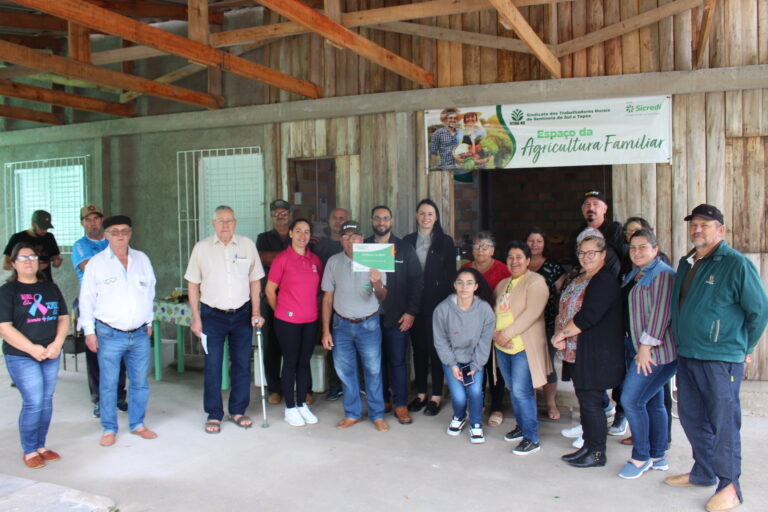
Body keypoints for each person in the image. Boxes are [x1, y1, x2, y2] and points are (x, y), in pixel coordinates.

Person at [666, 204, 768, 511]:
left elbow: (758, 311)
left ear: (720, 230)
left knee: (724, 422)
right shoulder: (688, 262)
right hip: (687, 353)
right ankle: (703, 471)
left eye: (705, 225)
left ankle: (729, 486)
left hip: (721, 358)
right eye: (694, 224)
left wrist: (744, 348)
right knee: (691, 416)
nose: (698, 230)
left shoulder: (735, 264)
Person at [185, 206, 265, 434]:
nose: (225, 225)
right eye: (221, 221)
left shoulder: (247, 245)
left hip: (241, 314)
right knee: (212, 365)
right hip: (212, 315)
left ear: (235, 222)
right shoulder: (201, 249)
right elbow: (193, 284)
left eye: (229, 221)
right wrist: (196, 318)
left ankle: (238, 410)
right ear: (213, 224)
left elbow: (255, 280)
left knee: (241, 364)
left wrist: (256, 312)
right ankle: (214, 413)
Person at [79, 215, 157, 447]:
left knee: (140, 382)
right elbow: (87, 299)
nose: (120, 235)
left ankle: (137, 424)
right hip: (109, 334)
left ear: (130, 233)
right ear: (106, 235)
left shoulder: (142, 259)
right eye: (114, 231)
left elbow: (150, 291)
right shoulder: (97, 263)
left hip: (140, 333)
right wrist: (89, 332)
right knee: (109, 382)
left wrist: (150, 322)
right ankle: (109, 427)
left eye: (124, 230)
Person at [552, 231, 624, 468]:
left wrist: (562, 333)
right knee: (585, 399)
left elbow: (588, 316)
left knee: (592, 401)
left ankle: (597, 453)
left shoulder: (603, 280)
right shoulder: (582, 277)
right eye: (582, 253)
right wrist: (561, 333)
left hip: (596, 351)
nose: (586, 257)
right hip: (578, 350)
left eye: (592, 252)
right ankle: (588, 446)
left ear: (603, 254)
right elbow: (566, 309)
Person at [0, 243, 69, 469]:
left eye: (32, 256)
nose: (28, 261)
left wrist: (58, 344)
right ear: (13, 263)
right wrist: (32, 348)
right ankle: (29, 450)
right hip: (22, 355)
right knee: (34, 402)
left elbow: (63, 317)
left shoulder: (50, 287)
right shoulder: (7, 291)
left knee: (46, 401)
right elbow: (4, 327)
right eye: (22, 258)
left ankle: (40, 446)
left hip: (50, 352)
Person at [617, 228, 678, 479]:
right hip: (638, 346)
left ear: (655, 249)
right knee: (652, 401)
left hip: (656, 351)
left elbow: (661, 314)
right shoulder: (636, 273)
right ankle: (658, 455)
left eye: (643, 247)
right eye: (633, 247)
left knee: (631, 400)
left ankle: (640, 457)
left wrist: (645, 348)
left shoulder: (663, 274)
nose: (637, 252)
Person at [321, 221, 389, 432]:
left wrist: (377, 282)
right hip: (341, 325)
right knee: (346, 371)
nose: (352, 240)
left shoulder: (374, 258)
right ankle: (352, 413)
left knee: (373, 370)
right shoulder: (333, 262)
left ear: (362, 239)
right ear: (341, 240)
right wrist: (325, 331)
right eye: (347, 236)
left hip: (368, 324)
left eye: (356, 236)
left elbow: (382, 296)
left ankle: (377, 415)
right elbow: (327, 299)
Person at [366, 205, 423, 425]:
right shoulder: (364, 247)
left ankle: (400, 404)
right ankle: (382, 400)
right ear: (372, 220)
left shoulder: (404, 248)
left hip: (397, 316)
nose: (381, 222)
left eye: (385, 218)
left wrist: (411, 312)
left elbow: (417, 282)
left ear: (391, 221)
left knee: (398, 361)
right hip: (369, 317)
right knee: (374, 362)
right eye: (377, 218)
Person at [493, 241, 551, 455]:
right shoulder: (503, 284)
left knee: (522, 391)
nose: (514, 261)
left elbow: (532, 313)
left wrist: (505, 335)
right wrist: (496, 335)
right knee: (513, 390)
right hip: (503, 347)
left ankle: (531, 438)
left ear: (528, 260)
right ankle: (523, 426)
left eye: (519, 257)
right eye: (510, 257)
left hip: (522, 347)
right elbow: (495, 313)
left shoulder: (536, 282)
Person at [71, 204, 127, 419]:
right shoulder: (80, 245)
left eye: (96, 218)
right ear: (82, 223)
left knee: (119, 351)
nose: (92, 222)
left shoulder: (112, 239)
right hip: (93, 306)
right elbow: (90, 268)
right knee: (95, 353)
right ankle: (99, 399)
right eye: (88, 219)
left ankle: (119, 396)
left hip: (117, 304)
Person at [265, 218, 322, 427]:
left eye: (306, 231)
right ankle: (290, 407)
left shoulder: (315, 260)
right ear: (290, 234)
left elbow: (316, 291)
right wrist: (281, 310)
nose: (302, 236)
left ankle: (301, 404)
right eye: (298, 231)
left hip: (310, 320)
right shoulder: (282, 259)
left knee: (303, 362)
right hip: (287, 321)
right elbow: (270, 290)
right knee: (290, 362)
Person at [404, 199, 456, 416]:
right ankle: (421, 393)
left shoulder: (445, 241)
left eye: (430, 214)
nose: (426, 218)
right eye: (422, 213)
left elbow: (451, 275)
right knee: (419, 349)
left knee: (436, 349)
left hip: (437, 304)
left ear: (436, 218)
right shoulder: (407, 241)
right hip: (413, 303)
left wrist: (448, 306)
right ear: (417, 216)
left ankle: (436, 394)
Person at [433, 267, 495, 444]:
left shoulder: (484, 309)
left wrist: (476, 365)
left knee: (475, 392)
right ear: (454, 285)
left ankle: (475, 423)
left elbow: (485, 340)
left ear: (476, 286)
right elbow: (440, 340)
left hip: (474, 360)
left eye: (469, 283)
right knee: (459, 397)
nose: (464, 287)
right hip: (452, 359)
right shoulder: (442, 309)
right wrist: (452, 364)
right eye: (460, 282)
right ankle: (459, 416)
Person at [461, 231, 510, 426]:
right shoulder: (464, 269)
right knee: (471, 366)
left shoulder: (503, 270)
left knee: (493, 369)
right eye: (476, 246)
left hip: (495, 326)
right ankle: (476, 403)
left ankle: (497, 407)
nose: (480, 250)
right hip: (468, 328)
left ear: (492, 250)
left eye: (485, 246)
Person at [525, 227, 565, 420]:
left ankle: (551, 404)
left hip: (547, 322)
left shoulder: (553, 266)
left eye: (538, 241)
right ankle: (530, 404)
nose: (534, 244)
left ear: (544, 244)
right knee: (527, 366)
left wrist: (559, 324)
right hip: (524, 324)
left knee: (547, 365)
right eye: (531, 240)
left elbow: (561, 296)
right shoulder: (519, 265)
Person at [257, 199, 292, 405]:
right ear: (271, 216)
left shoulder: (295, 234)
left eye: (284, 212)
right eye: (276, 213)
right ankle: (274, 388)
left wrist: (276, 259)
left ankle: (290, 385)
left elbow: (272, 259)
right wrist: (290, 257)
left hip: (292, 298)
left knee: (291, 344)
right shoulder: (263, 238)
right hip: (268, 297)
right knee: (271, 345)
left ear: (290, 214)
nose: (280, 216)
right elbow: (261, 258)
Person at [313, 207, 349, 402]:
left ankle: (354, 384)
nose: (338, 221)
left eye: (342, 218)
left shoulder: (355, 245)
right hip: (326, 301)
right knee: (330, 345)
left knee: (353, 346)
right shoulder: (319, 246)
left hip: (350, 303)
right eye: (335, 218)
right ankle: (334, 385)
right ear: (328, 220)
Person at [568, 190, 626, 278]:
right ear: (582, 209)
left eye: (596, 204)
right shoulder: (576, 235)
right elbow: (575, 264)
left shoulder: (615, 230)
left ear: (605, 209)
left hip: (612, 280)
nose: (591, 208)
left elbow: (624, 259)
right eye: (587, 204)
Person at [3, 210, 62, 282]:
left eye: (46, 228)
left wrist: (57, 262)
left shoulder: (49, 237)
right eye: (41, 228)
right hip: (23, 283)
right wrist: (31, 265)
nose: (44, 231)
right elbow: (6, 264)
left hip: (44, 282)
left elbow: (56, 260)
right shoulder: (18, 238)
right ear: (33, 224)